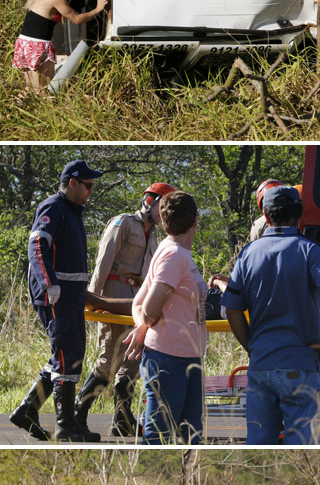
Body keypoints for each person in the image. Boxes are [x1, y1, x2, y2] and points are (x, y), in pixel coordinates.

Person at [221, 185, 320, 444]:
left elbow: (233, 308)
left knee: (258, 445)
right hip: (301, 366)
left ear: (266, 217)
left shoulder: (248, 254)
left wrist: (251, 347)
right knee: (300, 449)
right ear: (300, 213)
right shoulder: (310, 251)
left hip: (261, 366)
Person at [9, 159, 103, 443]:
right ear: (72, 183)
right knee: (66, 357)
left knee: (70, 356)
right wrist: (49, 285)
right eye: (87, 185)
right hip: (56, 297)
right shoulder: (54, 206)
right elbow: (37, 245)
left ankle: (28, 410)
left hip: (71, 298)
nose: (90, 191)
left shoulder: (73, 212)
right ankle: (66, 427)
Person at [75, 182, 175, 437]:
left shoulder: (154, 237)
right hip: (113, 291)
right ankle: (79, 413)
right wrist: (94, 300)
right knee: (109, 358)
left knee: (132, 359)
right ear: (150, 202)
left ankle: (122, 419)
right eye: (162, 206)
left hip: (135, 299)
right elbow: (103, 261)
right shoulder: (123, 223)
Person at [125, 191, 208, 445]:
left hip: (185, 357)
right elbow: (148, 308)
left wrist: (142, 329)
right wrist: (146, 325)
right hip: (169, 360)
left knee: (191, 437)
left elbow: (137, 305)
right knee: (158, 438)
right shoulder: (174, 256)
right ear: (195, 221)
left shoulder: (172, 251)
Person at [13, 0, 109, 94]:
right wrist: (98, 9)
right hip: (38, 45)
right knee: (43, 89)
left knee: (31, 88)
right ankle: (42, 112)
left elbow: (59, 8)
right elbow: (77, 19)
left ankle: (15, 110)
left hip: (25, 43)